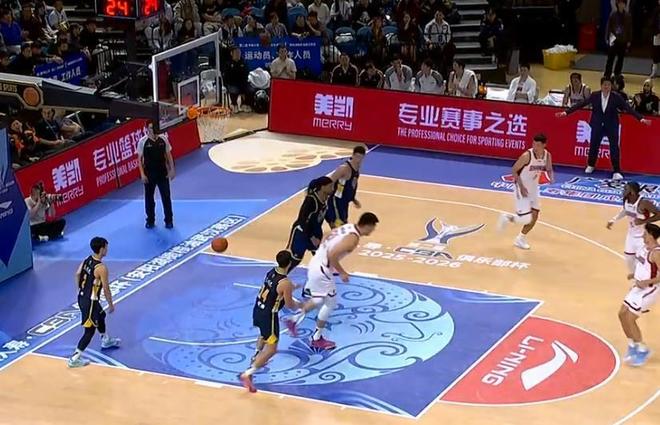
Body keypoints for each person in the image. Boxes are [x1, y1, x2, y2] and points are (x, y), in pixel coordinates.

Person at [288, 212, 380, 350]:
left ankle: (293, 320)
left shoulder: (347, 227)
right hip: (322, 269)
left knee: (319, 299)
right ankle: (316, 338)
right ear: (367, 225)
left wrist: (322, 252)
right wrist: (342, 272)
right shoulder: (352, 238)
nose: (373, 230)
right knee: (330, 303)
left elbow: (327, 236)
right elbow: (332, 255)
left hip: (315, 264)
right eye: (373, 227)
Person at [556, 77, 651, 180]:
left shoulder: (616, 97)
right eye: (604, 85)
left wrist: (641, 118)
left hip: (611, 126)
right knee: (593, 145)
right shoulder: (595, 95)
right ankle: (591, 165)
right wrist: (566, 112)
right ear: (601, 86)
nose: (606, 87)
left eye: (608, 85)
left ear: (611, 86)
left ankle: (616, 171)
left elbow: (627, 108)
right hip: (597, 125)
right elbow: (581, 104)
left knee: (614, 148)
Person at [239, 250, 301, 392]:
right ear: (290, 263)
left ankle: (256, 355)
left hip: (258, 309)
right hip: (269, 316)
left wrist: (292, 287)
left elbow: (276, 288)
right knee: (272, 349)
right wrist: (301, 306)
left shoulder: (271, 272)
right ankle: (247, 374)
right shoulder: (285, 283)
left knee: (263, 334)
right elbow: (289, 304)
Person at [67, 237, 121, 368]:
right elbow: (106, 289)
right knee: (89, 331)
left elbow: (77, 274)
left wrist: (80, 289)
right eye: (106, 247)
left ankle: (105, 339)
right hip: (89, 302)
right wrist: (111, 304)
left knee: (101, 315)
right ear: (101, 249)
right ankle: (74, 358)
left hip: (83, 298)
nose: (107, 249)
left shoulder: (87, 259)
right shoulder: (101, 268)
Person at [497, 134, 554, 250]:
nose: (535, 147)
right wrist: (522, 187)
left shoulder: (547, 155)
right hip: (521, 188)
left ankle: (520, 238)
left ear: (544, 145)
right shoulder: (527, 156)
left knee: (535, 216)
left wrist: (551, 177)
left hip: (534, 189)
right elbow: (514, 170)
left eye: (538, 145)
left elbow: (549, 168)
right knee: (525, 219)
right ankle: (507, 217)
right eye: (534, 144)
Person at [618, 223, 660, 367]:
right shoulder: (643, 248)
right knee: (622, 314)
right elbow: (643, 266)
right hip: (638, 286)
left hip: (650, 289)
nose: (642, 235)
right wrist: (634, 275)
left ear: (651, 236)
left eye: (645, 233)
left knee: (630, 318)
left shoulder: (656, 253)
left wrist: (646, 282)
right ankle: (632, 344)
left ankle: (642, 349)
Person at [607, 181, 660, 274]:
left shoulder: (643, 203)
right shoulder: (626, 200)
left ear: (632, 192)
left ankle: (652, 277)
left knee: (643, 260)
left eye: (625, 189)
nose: (623, 191)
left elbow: (658, 214)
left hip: (643, 237)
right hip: (631, 235)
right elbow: (625, 210)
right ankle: (636, 278)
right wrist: (613, 219)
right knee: (629, 259)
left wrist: (644, 221)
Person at [287, 177, 335, 271]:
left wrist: (332, 225)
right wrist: (312, 237)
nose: (332, 189)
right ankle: (278, 276)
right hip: (302, 232)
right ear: (323, 187)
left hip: (315, 231)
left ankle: (321, 276)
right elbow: (302, 219)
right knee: (294, 260)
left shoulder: (325, 199)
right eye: (330, 186)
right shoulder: (311, 200)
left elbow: (325, 213)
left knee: (321, 258)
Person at [137, 122, 175, 229]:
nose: (153, 129)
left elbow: (168, 155)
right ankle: (150, 220)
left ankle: (169, 220)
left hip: (162, 172)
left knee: (166, 197)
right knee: (149, 198)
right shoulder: (142, 142)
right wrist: (142, 174)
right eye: (150, 128)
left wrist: (172, 169)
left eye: (154, 127)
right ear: (146, 129)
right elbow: (139, 160)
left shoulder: (163, 139)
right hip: (149, 174)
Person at [325, 145, 366, 228]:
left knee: (342, 225)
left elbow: (352, 185)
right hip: (336, 201)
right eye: (357, 157)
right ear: (353, 155)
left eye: (361, 158)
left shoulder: (357, 168)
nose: (358, 160)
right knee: (340, 227)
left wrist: (353, 199)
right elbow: (329, 181)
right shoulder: (344, 168)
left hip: (344, 202)